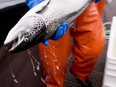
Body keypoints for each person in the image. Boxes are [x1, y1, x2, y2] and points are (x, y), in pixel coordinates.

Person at [26, 0, 105, 87]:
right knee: (53, 58)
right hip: (52, 7)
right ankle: (53, 84)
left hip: (84, 3)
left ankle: (80, 73)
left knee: (94, 46)